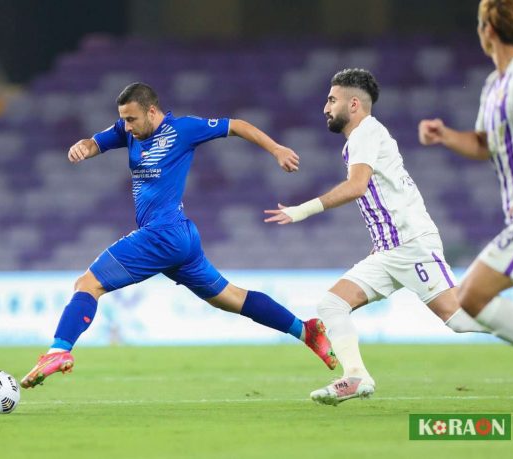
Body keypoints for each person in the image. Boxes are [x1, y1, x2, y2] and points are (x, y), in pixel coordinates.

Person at [21, 82, 337, 389]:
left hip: (163, 234)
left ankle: (58, 351)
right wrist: (83, 147)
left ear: (152, 111)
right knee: (230, 298)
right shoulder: (126, 131)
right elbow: (95, 143)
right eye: (123, 119)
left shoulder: (183, 130)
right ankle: (306, 331)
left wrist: (276, 149)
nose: (126, 126)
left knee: (88, 284)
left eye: (132, 119)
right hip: (180, 239)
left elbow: (236, 125)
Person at [265, 68, 488, 406]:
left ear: (354, 104)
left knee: (457, 318)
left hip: (411, 245)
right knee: (332, 304)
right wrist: (379, 242)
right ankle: (355, 377)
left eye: (331, 100)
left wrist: (302, 210)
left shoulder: (366, 132)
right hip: (389, 249)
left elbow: (357, 187)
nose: (325, 108)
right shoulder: (362, 138)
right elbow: (382, 194)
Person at [418, 0, 513, 345]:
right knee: (472, 296)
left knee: (472, 295)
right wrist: (445, 135)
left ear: (487, 30)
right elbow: (485, 143)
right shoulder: (494, 84)